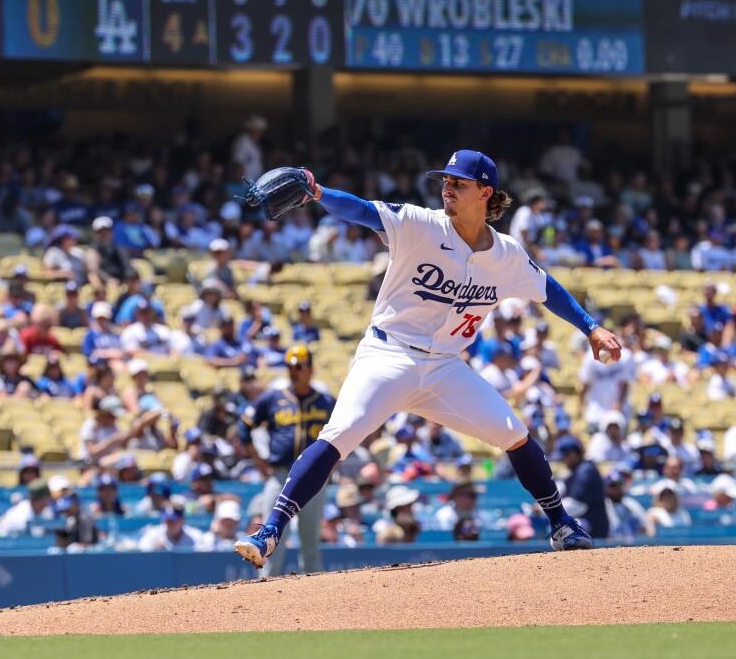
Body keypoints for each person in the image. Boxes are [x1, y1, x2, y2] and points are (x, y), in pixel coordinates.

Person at [234, 150, 621, 569]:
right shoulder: (420, 224)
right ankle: (270, 529)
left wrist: (592, 328)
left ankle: (561, 524)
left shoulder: (506, 255)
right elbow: (362, 211)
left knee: (514, 432)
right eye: (446, 181)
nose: (447, 189)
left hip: (446, 367)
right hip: (389, 352)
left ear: (485, 193)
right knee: (340, 433)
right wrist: (317, 191)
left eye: (459, 184)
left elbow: (550, 290)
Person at [236, 345, 335, 575]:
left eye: (299, 366)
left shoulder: (326, 401)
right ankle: (266, 592)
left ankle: (314, 598)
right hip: (280, 474)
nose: (294, 371)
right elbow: (244, 425)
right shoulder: (273, 398)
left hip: (314, 477)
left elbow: (345, 433)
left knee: (311, 543)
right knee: (272, 540)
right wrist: (258, 460)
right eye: (290, 366)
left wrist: (333, 464)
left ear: (311, 369)